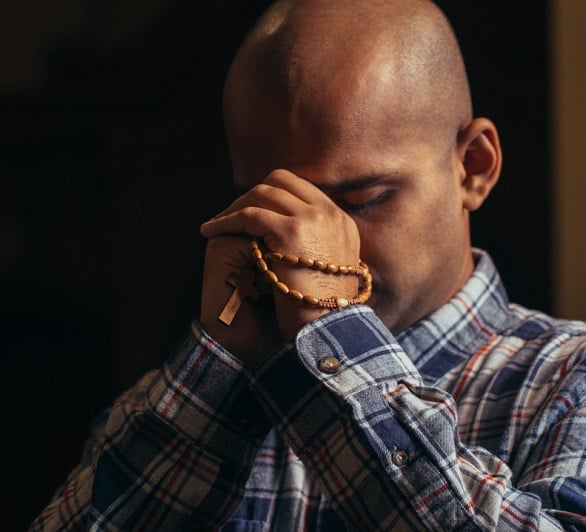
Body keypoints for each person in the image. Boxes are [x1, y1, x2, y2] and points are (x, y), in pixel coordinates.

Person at [31, 0, 586, 530]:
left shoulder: (569, 380)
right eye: (273, 206)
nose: (312, 238)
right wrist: (215, 373)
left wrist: (333, 334)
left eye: (362, 199)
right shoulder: (189, 397)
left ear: (473, 167)